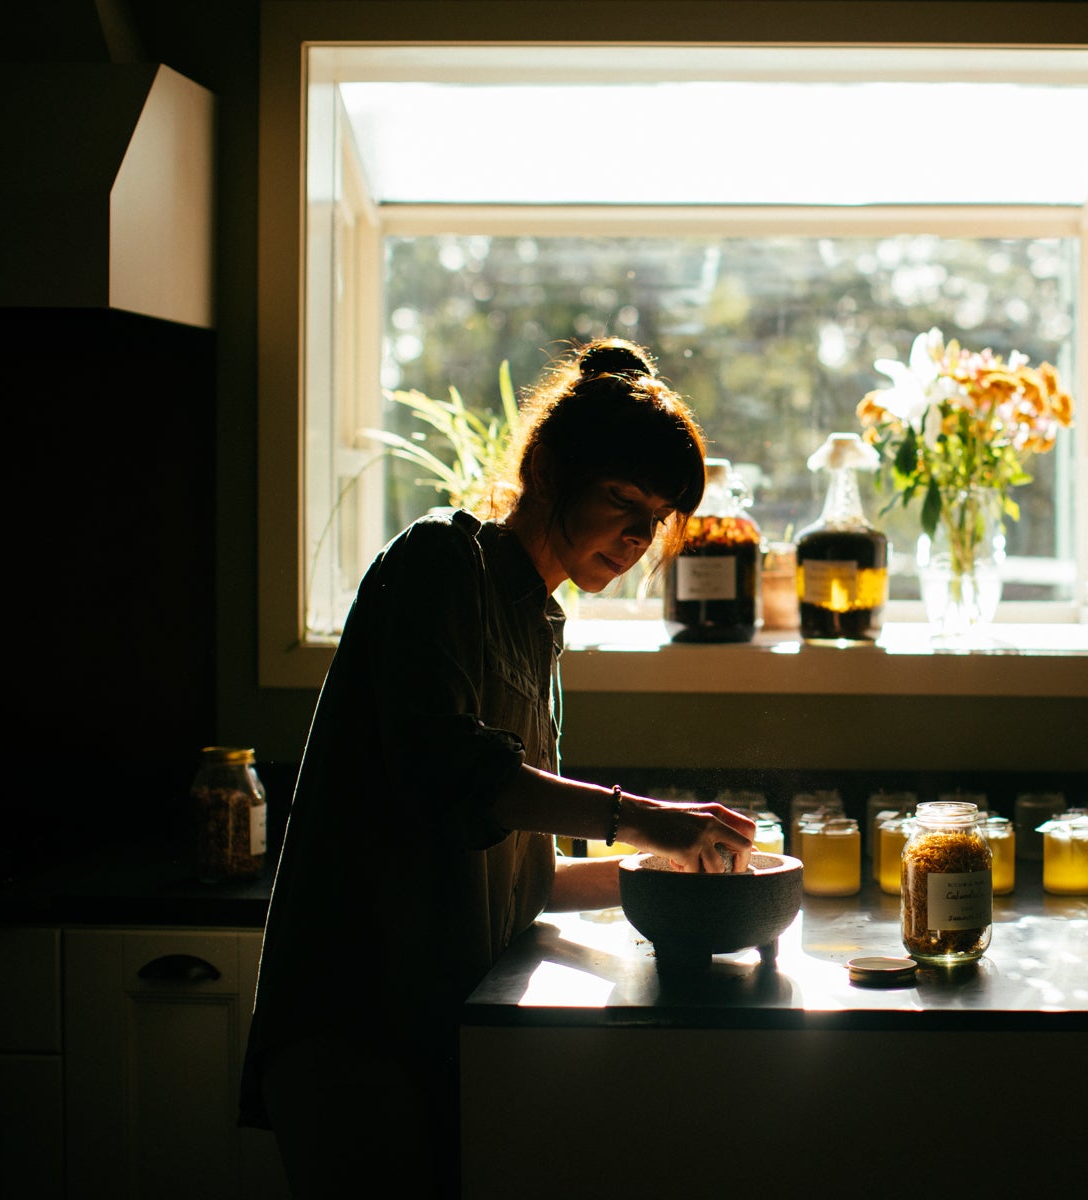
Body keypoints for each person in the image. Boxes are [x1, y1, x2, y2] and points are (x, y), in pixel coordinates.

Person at [237, 337, 755, 1197]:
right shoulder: (443, 560)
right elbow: (457, 777)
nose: (636, 538)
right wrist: (646, 817)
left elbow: (525, 872)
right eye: (622, 499)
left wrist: (674, 863)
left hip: (447, 1024)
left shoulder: (539, 626)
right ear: (547, 470)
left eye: (654, 515)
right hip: (358, 1027)